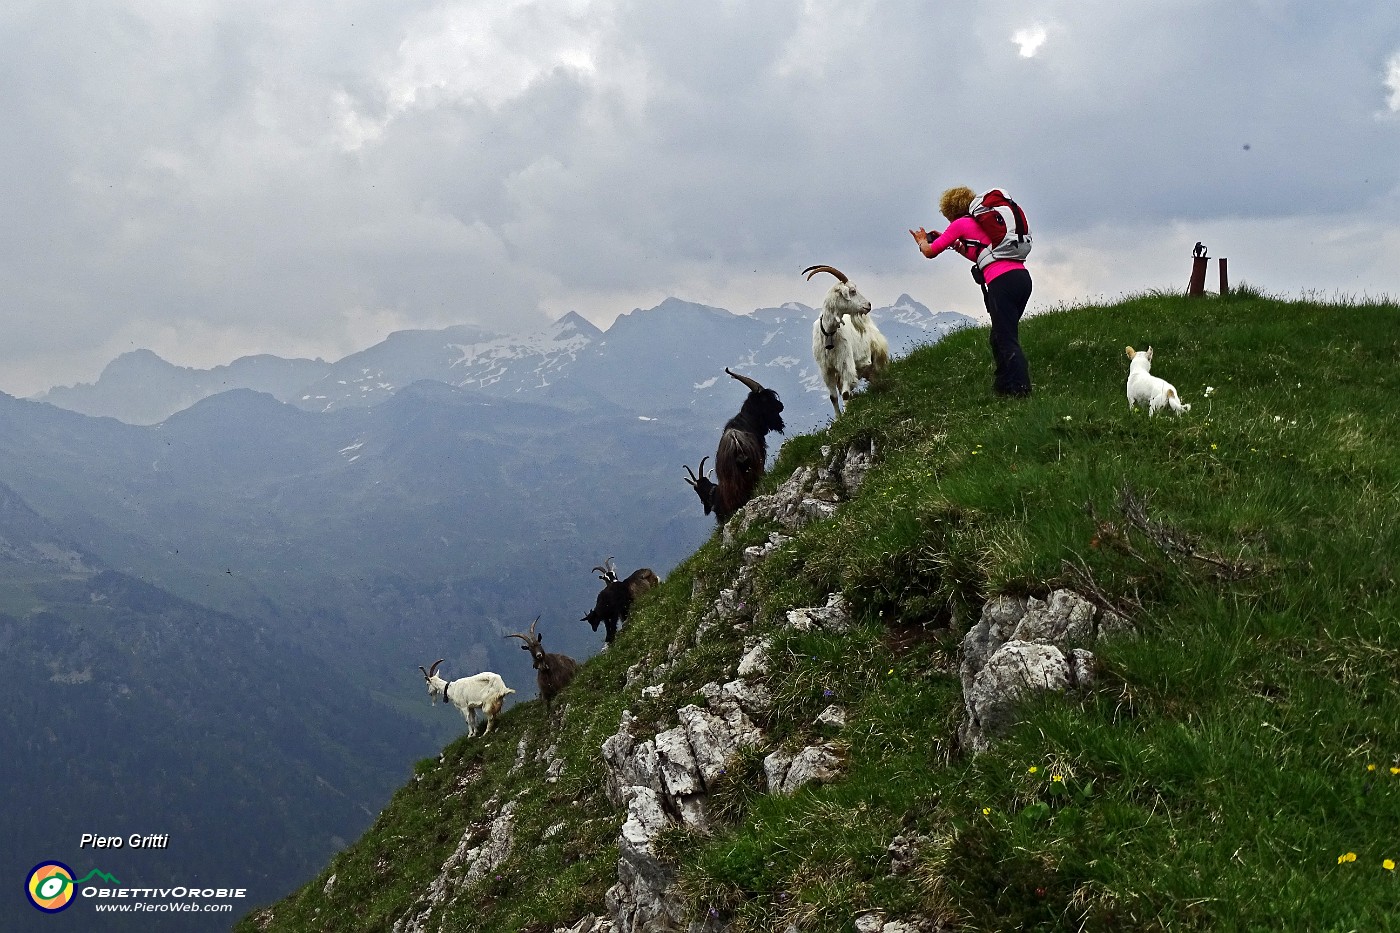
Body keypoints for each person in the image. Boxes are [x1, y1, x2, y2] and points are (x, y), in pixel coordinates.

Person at [910, 186, 1032, 397]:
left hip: (1001, 282)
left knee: (1006, 338)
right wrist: (956, 244)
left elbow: (930, 252)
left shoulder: (960, 224)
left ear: (949, 211)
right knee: (999, 336)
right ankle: (1003, 386)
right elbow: (981, 255)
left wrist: (922, 241)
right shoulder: (984, 224)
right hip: (1021, 279)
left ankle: (1021, 391)